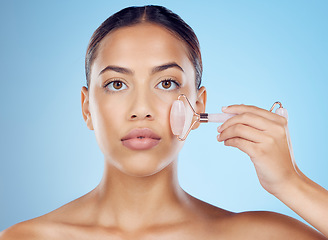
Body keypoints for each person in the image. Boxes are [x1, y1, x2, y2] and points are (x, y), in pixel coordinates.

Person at [1, 5, 327, 239]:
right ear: (87, 108)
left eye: (166, 83)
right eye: (117, 84)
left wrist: (290, 182)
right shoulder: (28, 237)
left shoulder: (259, 236)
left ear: (199, 105)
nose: (141, 109)